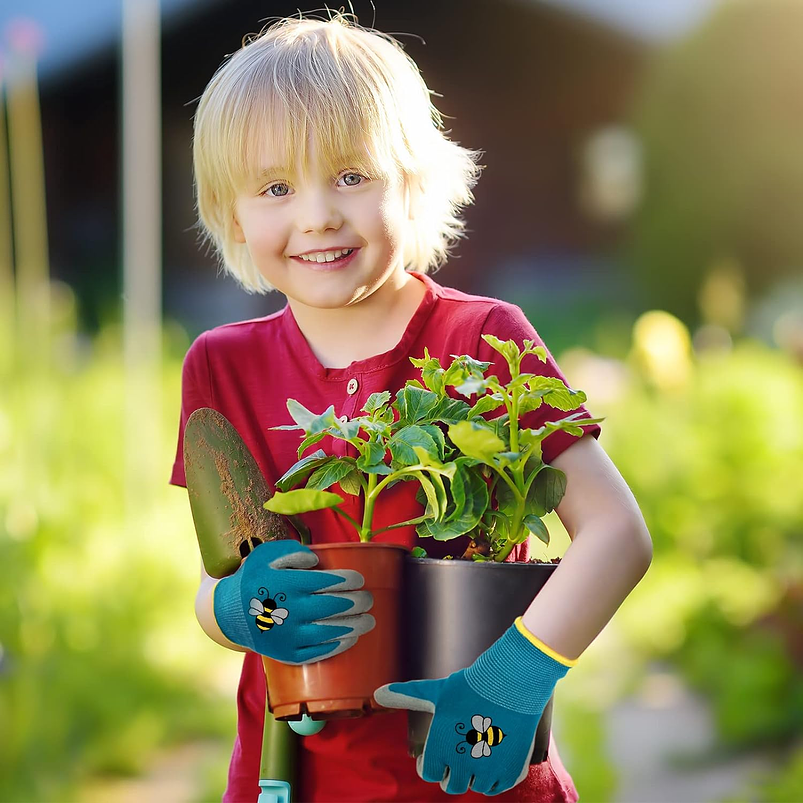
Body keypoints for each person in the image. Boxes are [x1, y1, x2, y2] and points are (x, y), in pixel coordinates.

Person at [170, 12, 653, 802]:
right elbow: (216, 580)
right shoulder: (221, 366)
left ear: (416, 181)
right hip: (293, 777)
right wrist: (233, 606)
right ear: (231, 214)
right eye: (276, 187)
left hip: (473, 763)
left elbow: (616, 533)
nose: (317, 214)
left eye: (351, 176)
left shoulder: (483, 338)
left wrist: (514, 678)